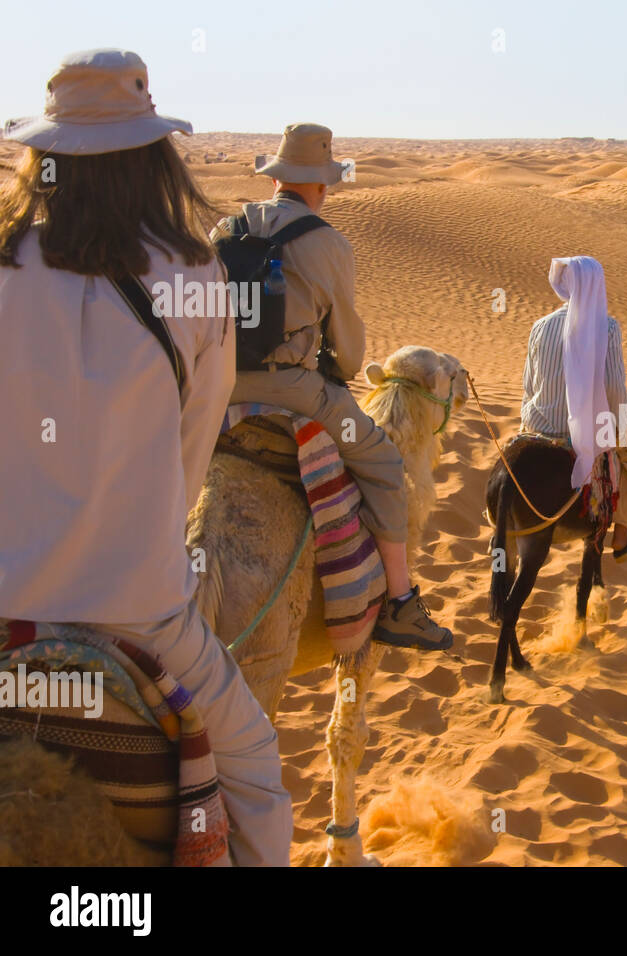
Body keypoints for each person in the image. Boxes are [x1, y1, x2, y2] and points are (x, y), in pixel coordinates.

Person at [0, 49, 290, 865]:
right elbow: (194, 451)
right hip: (145, 615)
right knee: (257, 779)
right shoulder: (196, 276)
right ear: (150, 154)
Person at [213, 124, 453, 651]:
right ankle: (400, 602)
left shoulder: (226, 230)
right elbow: (346, 352)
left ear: (276, 178)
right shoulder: (328, 244)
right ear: (321, 186)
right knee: (386, 466)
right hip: (297, 393)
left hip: (215, 392)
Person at [521, 256, 627, 559]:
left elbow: (529, 387)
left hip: (537, 424)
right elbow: (615, 390)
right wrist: (621, 428)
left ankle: (495, 524)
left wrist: (530, 420)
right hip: (583, 430)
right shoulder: (608, 327)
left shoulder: (540, 326)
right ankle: (621, 536)